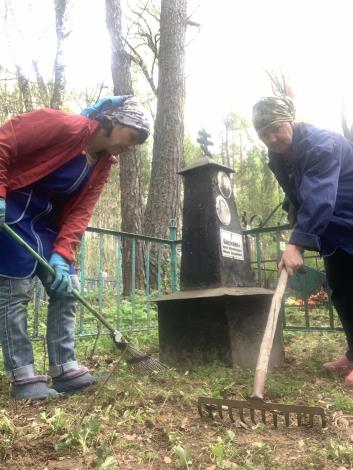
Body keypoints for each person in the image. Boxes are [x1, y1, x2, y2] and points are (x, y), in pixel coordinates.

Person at [0, 96, 149, 399]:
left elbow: (81, 211)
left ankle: (64, 368)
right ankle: (23, 376)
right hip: (13, 211)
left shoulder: (103, 164)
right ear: (112, 121)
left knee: (68, 287)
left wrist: (61, 255)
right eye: (131, 137)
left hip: (47, 226)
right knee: (14, 292)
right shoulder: (65, 125)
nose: (130, 147)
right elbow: (6, 139)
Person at [252, 96, 353, 385]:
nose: (271, 138)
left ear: (291, 121)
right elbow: (297, 198)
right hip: (336, 231)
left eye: (276, 128)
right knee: (343, 293)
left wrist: (297, 243)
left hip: (347, 218)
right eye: (262, 133)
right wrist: (294, 236)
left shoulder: (321, 146)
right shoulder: (282, 156)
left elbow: (320, 198)